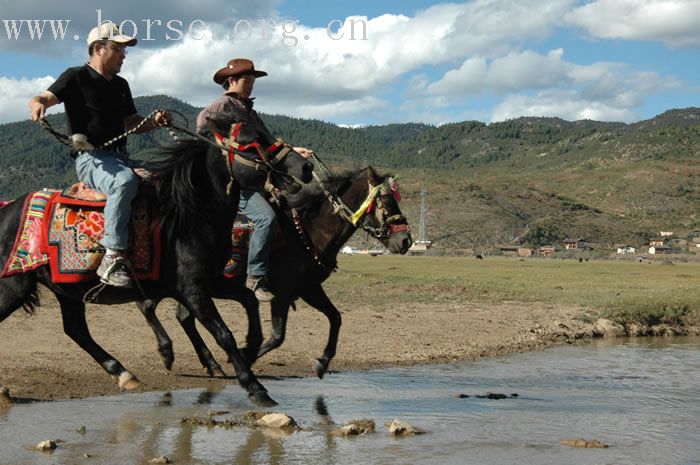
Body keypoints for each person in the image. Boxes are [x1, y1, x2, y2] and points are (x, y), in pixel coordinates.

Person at [28, 22, 170, 288]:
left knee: (167, 178)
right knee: (124, 182)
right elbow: (45, 97)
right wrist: (37, 103)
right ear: (97, 48)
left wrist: (154, 122)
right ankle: (113, 256)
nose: (124, 55)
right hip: (91, 159)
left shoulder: (121, 84)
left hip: (121, 156)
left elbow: (131, 122)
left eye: (125, 50)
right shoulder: (76, 76)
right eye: (118, 49)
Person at [196, 58, 314, 302]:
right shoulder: (223, 105)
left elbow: (268, 143)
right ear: (231, 80)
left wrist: (294, 151)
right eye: (246, 80)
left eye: (252, 81)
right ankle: (256, 275)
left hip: (255, 179)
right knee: (266, 218)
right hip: (234, 183)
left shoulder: (248, 110)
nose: (250, 85)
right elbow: (202, 124)